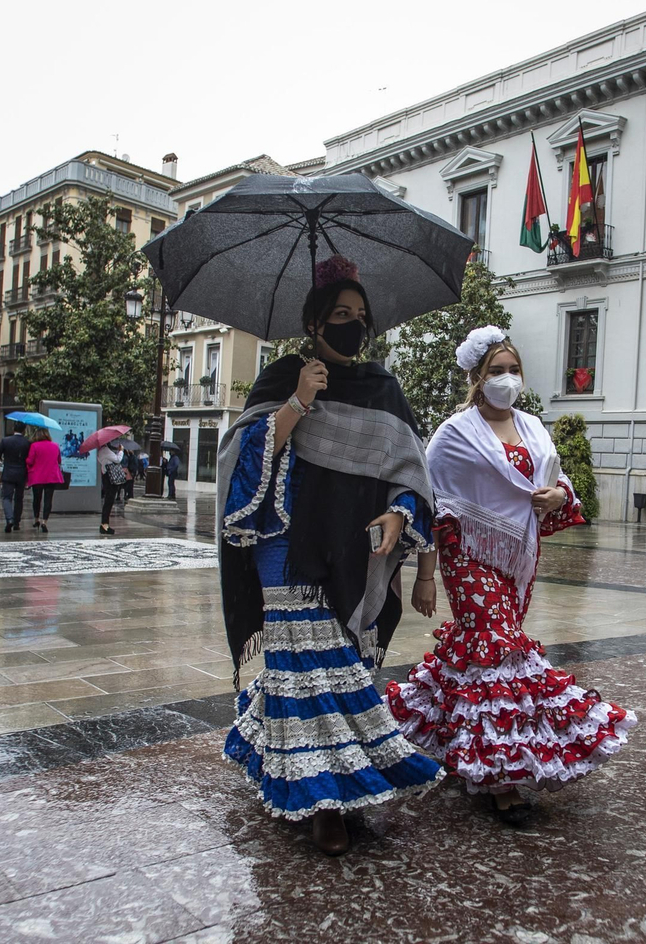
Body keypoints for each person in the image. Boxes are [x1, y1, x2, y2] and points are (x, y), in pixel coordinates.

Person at [218, 254, 443, 855]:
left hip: (359, 551)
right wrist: (297, 400)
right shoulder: (282, 377)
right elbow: (242, 466)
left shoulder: (383, 388)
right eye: (340, 314)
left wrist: (400, 513)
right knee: (304, 669)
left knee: (347, 667)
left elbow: (413, 475)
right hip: (286, 549)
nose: (352, 324)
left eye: (360, 316)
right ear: (314, 322)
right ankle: (323, 801)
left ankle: (333, 777)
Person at [387, 327, 636, 824]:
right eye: (497, 371)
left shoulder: (533, 426)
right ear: (477, 377)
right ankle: (501, 776)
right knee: (498, 647)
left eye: (513, 370)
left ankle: (436, 732)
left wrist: (560, 495)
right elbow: (435, 504)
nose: (507, 379)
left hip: (517, 555)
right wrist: (425, 576)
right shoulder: (455, 433)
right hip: (467, 555)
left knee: (480, 651)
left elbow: (553, 480)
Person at [0, 421, 31, 532]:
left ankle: (9, 519)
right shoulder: (27, 443)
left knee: (7, 498)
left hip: (8, 473)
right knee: (19, 498)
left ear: (14, 429)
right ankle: (17, 522)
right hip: (21, 474)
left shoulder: (6, 441)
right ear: (24, 430)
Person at [25, 426, 62, 532]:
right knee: (48, 500)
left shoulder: (34, 446)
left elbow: (30, 461)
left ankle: (36, 519)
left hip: (37, 476)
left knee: (37, 499)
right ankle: (44, 521)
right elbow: (59, 460)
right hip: (51, 476)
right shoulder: (55, 446)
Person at [95, 438, 127, 535]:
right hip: (110, 478)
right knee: (109, 500)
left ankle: (105, 524)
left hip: (106, 476)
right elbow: (118, 460)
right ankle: (105, 525)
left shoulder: (101, 451)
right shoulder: (105, 450)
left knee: (108, 501)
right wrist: (121, 451)